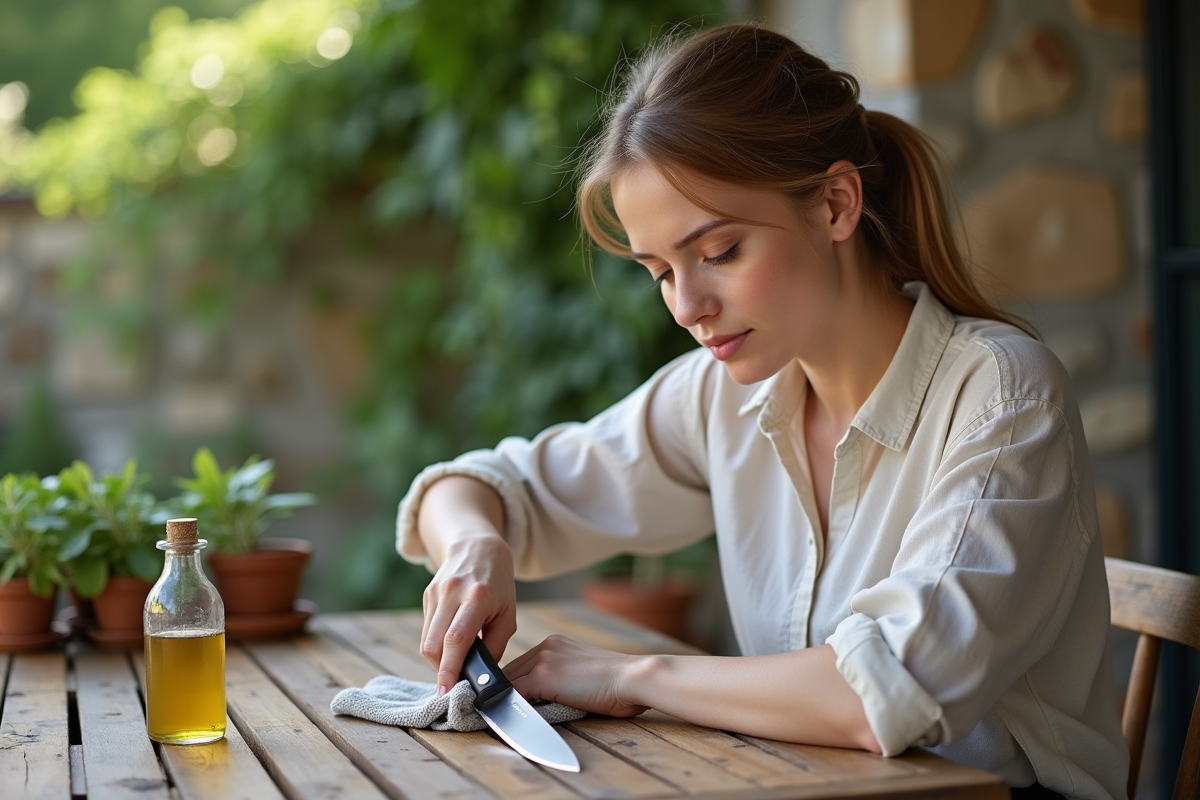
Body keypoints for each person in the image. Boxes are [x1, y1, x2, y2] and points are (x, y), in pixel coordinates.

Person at [395, 23, 1129, 800]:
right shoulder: (725, 395)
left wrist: (630, 674)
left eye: (718, 253)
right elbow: (484, 486)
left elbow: (886, 695)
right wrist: (477, 547)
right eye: (660, 272)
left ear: (838, 203)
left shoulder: (1003, 396)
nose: (686, 306)